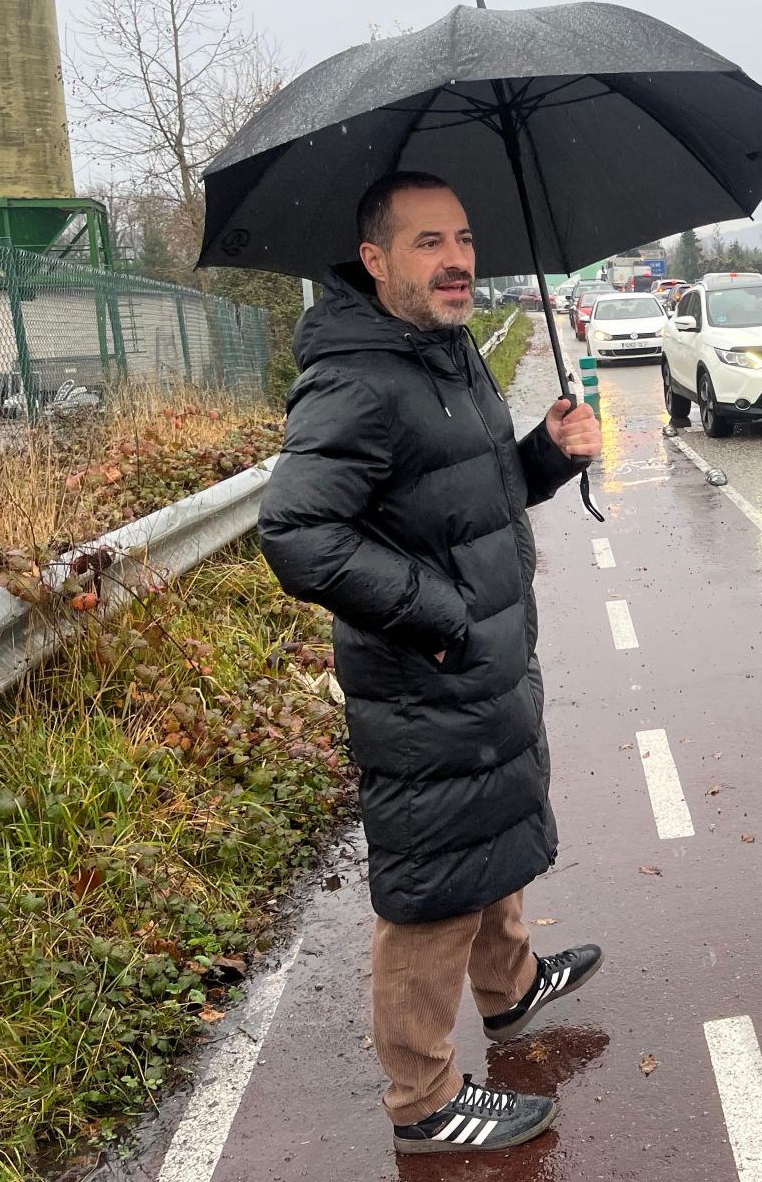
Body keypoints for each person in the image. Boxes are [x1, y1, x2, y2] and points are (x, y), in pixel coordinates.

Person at [259, 170, 603, 1155]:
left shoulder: (443, 355)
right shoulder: (359, 378)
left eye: (461, 239)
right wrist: (441, 617)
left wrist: (545, 452)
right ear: (375, 262)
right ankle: (423, 1100)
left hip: (483, 662)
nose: (456, 259)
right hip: (428, 674)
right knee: (434, 883)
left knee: (486, 832)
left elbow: (468, 499)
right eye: (426, 243)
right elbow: (295, 531)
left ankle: (511, 990)